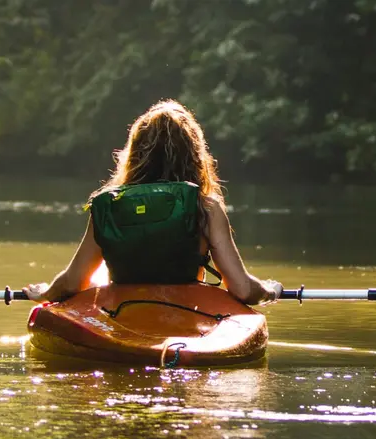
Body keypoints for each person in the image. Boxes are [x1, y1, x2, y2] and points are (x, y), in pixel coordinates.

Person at [23, 99, 283, 304]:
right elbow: (241, 289)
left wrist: (46, 293)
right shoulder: (206, 208)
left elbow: (72, 282)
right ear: (194, 155)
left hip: (122, 314)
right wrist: (269, 291)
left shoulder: (110, 206)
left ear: (135, 153)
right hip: (187, 314)